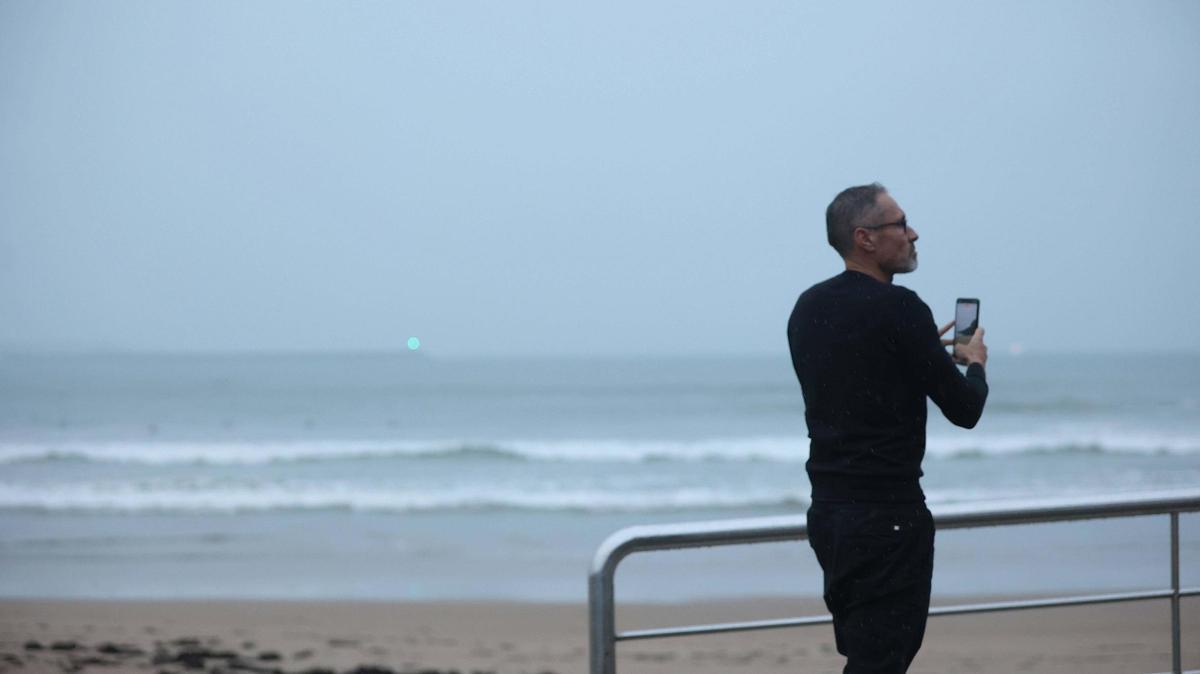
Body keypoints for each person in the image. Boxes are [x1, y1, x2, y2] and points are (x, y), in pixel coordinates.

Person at [787, 183, 988, 673]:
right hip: (888, 518)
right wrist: (974, 364)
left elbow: (854, 381)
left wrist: (917, 353)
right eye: (899, 224)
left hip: (830, 515)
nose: (913, 233)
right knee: (881, 662)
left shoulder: (807, 308)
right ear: (865, 238)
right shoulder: (901, 309)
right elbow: (965, 410)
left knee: (866, 654)